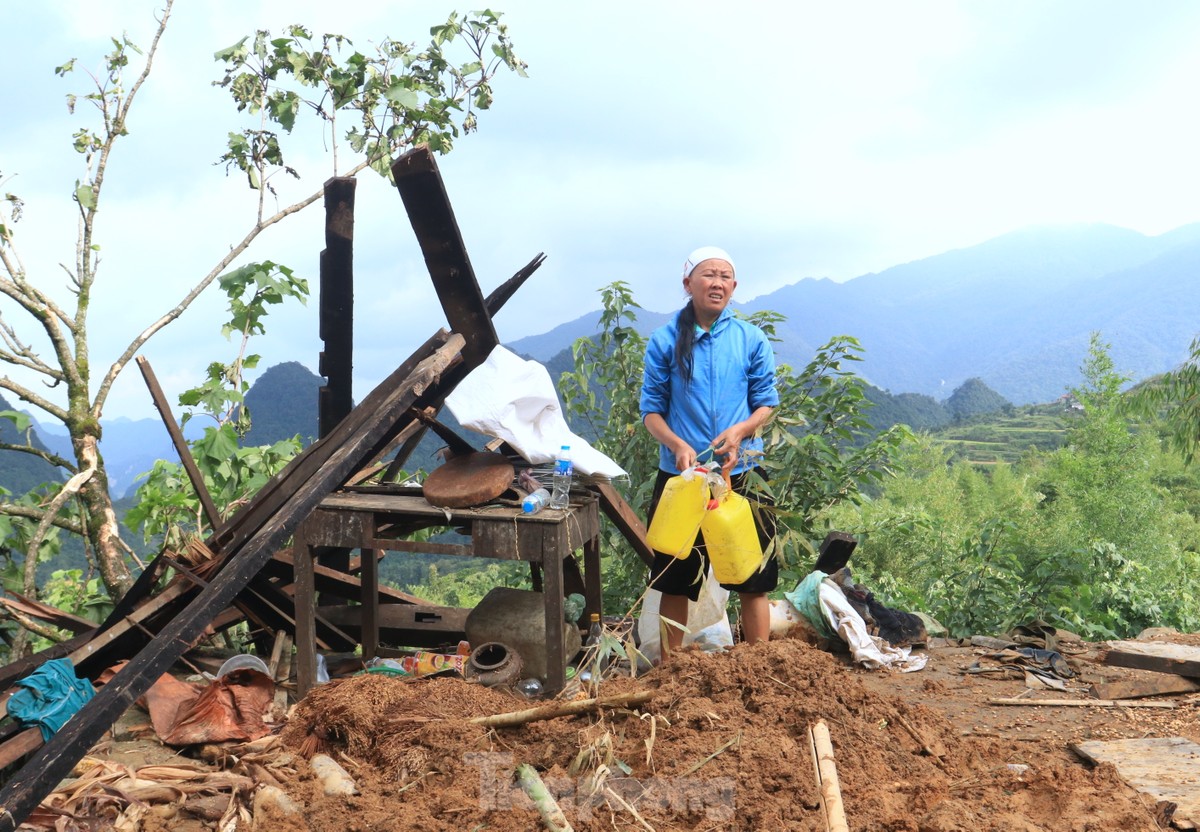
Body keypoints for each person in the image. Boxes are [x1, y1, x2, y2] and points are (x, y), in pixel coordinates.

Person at [640, 246, 780, 656]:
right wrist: (678, 445)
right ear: (688, 284)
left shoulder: (750, 338)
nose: (717, 282)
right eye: (708, 275)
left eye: (725, 276)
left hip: (744, 472)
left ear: (734, 287)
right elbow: (651, 411)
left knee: (753, 575)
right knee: (676, 576)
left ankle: (757, 666)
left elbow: (766, 402)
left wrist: (741, 431)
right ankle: (671, 671)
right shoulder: (666, 341)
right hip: (684, 478)